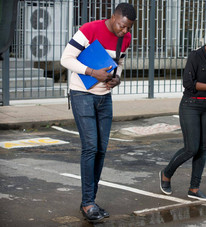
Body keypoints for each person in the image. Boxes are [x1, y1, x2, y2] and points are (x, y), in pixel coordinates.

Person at [60, 3, 136, 223]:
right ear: (113, 17)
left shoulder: (126, 37)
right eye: (121, 26)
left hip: (105, 97)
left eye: (128, 28)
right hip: (82, 94)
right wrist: (92, 72)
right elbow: (65, 59)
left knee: (101, 150)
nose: (124, 31)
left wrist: (117, 78)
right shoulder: (89, 29)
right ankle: (87, 203)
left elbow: (119, 62)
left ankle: (91, 200)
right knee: (91, 147)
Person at [159, 23, 206, 201]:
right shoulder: (195, 56)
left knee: (203, 149)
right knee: (191, 148)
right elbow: (188, 84)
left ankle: (194, 188)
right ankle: (166, 174)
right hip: (190, 105)